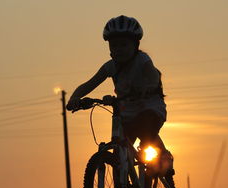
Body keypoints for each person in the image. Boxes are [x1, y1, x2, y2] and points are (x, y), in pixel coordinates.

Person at [66, 15, 173, 177]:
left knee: (147, 130)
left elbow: (153, 75)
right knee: (120, 151)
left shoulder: (142, 60)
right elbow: (89, 84)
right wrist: (75, 98)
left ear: (135, 45)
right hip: (127, 112)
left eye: (124, 45)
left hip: (149, 106)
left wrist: (147, 87)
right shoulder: (110, 67)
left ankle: (163, 156)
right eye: (114, 45)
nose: (119, 49)